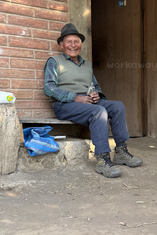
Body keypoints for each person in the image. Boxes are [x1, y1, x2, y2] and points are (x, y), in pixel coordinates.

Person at [44, 23, 143, 178]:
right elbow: (49, 88)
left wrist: (96, 94)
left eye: (76, 42)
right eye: (69, 42)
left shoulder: (87, 64)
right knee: (99, 112)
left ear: (80, 44)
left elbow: (94, 86)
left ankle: (121, 152)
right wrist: (74, 97)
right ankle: (103, 159)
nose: (73, 45)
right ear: (61, 44)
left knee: (118, 106)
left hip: (87, 102)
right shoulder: (54, 62)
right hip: (65, 104)